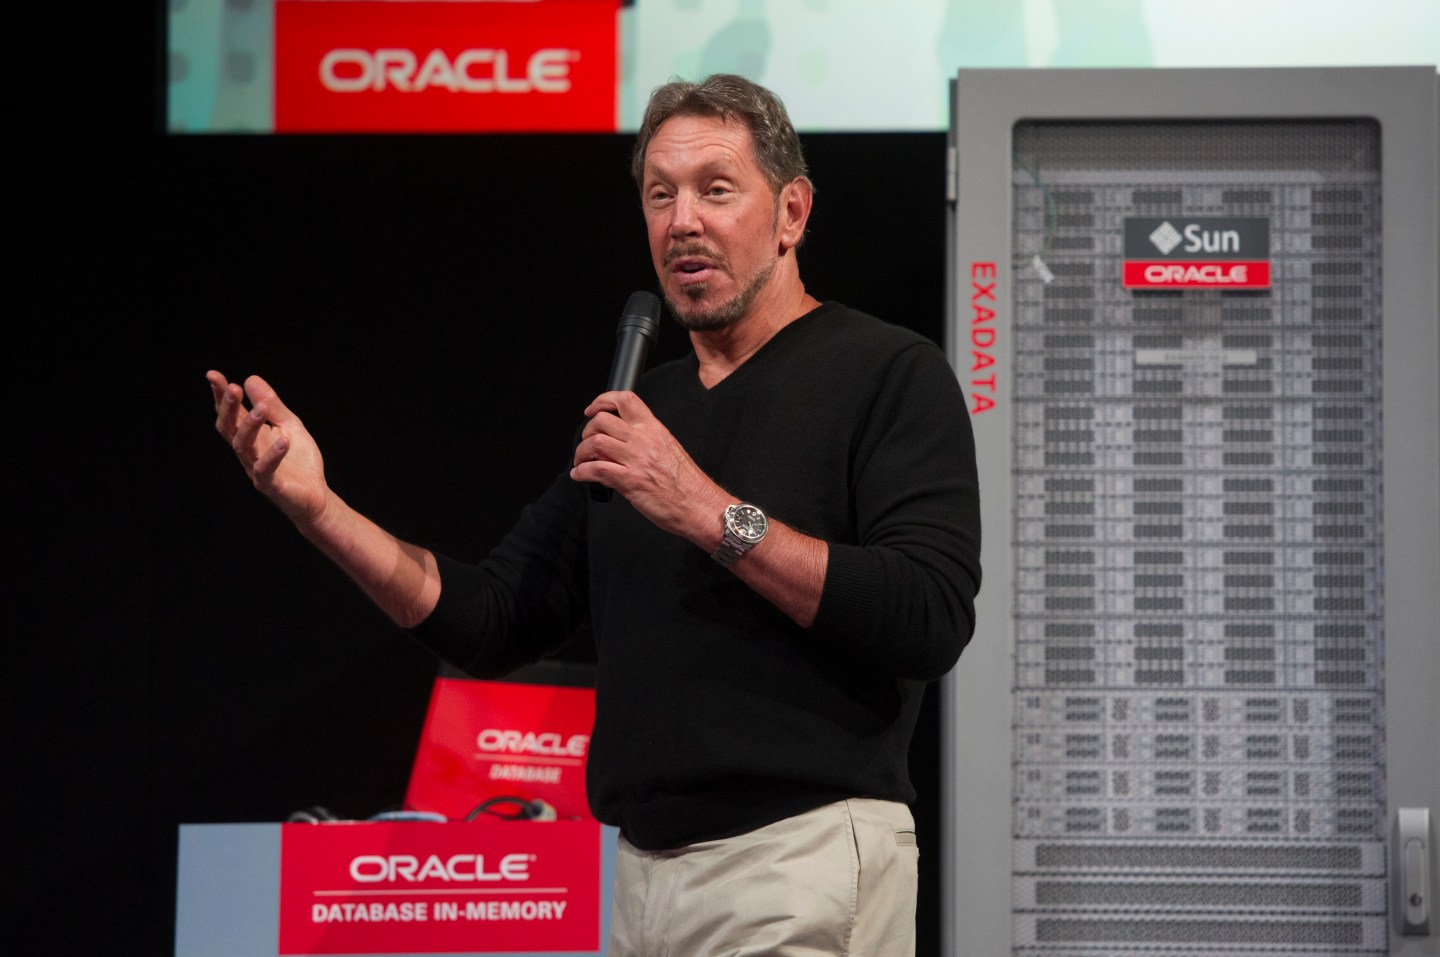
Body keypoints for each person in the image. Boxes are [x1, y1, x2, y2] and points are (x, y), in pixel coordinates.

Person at [208, 73, 981, 956]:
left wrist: (703, 509)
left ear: (792, 212)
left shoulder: (889, 373)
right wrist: (319, 508)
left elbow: (928, 614)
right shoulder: (642, 410)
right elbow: (492, 618)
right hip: (641, 881)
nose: (682, 221)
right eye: (660, 195)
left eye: (715, 189)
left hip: (798, 860)